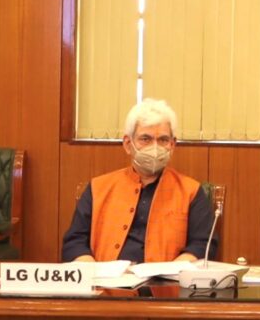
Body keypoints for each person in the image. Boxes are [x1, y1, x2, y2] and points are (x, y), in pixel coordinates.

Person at [62, 98, 216, 263]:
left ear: (173, 145)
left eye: (163, 140)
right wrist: (92, 269)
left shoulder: (191, 191)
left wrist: (173, 271)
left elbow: (203, 244)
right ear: (128, 144)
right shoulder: (98, 188)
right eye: (145, 139)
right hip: (105, 277)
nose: (155, 147)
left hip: (166, 278)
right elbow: (74, 242)